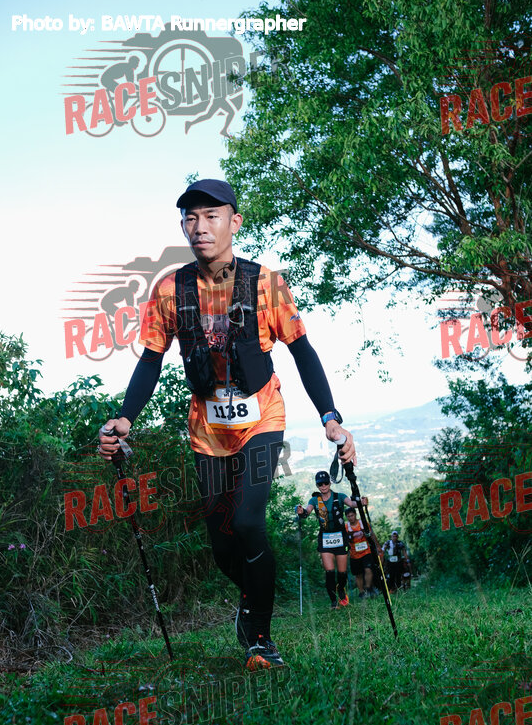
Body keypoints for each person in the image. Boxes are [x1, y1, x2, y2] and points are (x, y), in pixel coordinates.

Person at [98, 178, 356, 670]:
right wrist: (125, 417)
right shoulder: (170, 289)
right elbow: (151, 359)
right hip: (207, 432)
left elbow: (302, 351)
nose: (200, 227)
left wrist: (330, 417)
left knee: (247, 522)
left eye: (211, 216)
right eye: (190, 217)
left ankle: (260, 637)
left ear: (234, 222)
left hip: (262, 418)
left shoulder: (265, 284)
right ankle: (252, 597)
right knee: (221, 545)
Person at [297, 471, 357, 609]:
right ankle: (333, 601)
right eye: (320, 484)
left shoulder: (339, 496)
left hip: (340, 537)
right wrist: (302, 512)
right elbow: (307, 511)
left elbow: (351, 503)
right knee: (329, 572)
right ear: (317, 485)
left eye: (325, 483)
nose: (323, 486)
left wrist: (360, 502)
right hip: (325, 538)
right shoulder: (314, 500)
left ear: (330, 483)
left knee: (341, 572)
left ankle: (341, 589)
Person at [345, 505, 381, 599]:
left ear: (355, 514)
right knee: (358, 574)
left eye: (352, 515)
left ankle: (368, 588)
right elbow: (345, 540)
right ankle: (361, 592)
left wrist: (377, 546)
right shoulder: (346, 527)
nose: (351, 518)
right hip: (354, 554)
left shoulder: (363, 523)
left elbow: (372, 534)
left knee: (368, 569)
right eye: (348, 516)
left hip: (366, 551)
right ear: (346, 517)